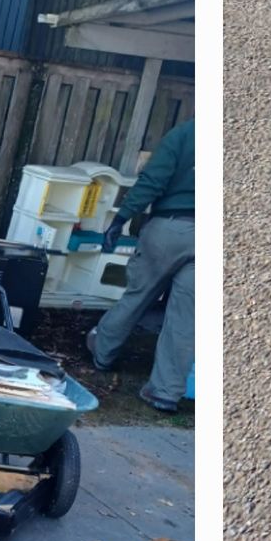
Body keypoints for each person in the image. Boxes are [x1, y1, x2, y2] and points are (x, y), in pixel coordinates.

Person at [86, 117, 194, 413]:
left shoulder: (185, 133)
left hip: (170, 227)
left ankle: (103, 353)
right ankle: (165, 393)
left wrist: (121, 219)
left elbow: (152, 180)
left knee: (138, 295)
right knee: (187, 318)